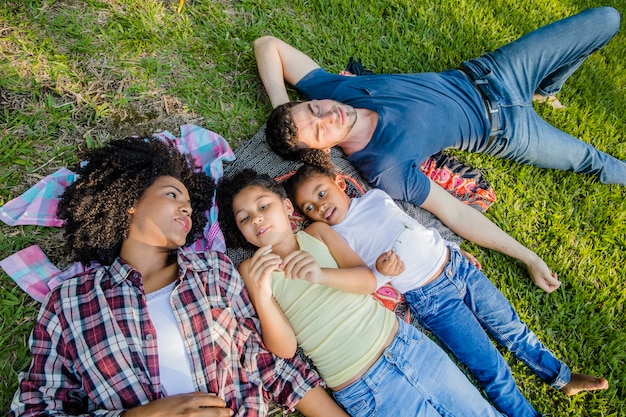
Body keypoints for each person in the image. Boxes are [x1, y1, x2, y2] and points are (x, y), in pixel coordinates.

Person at [253, 7, 624, 293]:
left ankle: (545, 88)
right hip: (506, 131)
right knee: (595, 162)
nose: (328, 116)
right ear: (325, 149)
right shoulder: (384, 166)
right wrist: (527, 256)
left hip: (494, 71)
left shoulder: (334, 93)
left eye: (314, 109)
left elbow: (267, 45)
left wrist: (283, 109)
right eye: (319, 130)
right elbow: (456, 213)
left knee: (607, 19)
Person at [9, 137, 348, 417]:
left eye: (188, 201)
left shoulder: (213, 270)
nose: (187, 207)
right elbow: (34, 407)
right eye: (172, 194)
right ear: (130, 201)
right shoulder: (70, 303)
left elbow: (269, 364)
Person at [285, 163, 609, 417]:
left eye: (321, 194)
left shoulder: (375, 197)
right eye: (309, 208)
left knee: (511, 325)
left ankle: (562, 377)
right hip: (431, 298)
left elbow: (413, 225)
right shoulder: (334, 236)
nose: (319, 207)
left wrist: (450, 246)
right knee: (489, 365)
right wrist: (381, 273)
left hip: (457, 266)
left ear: (340, 183)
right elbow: (367, 278)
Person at [216, 168, 507, 417]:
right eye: (244, 218)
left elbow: (368, 281)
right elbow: (286, 349)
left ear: (287, 208)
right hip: (362, 385)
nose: (256, 219)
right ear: (241, 232)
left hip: (405, 344)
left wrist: (320, 275)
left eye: (263, 206)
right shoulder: (251, 272)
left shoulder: (317, 233)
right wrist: (264, 296)